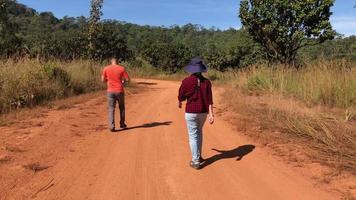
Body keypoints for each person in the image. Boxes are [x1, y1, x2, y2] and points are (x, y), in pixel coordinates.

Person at [178, 57, 214, 170]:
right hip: (203, 112)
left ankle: (195, 161)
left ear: (191, 69)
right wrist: (211, 114)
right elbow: (210, 99)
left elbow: (181, 96)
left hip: (191, 112)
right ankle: (198, 156)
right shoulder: (207, 82)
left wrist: (180, 101)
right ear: (201, 69)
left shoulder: (186, 81)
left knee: (193, 135)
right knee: (199, 133)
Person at [102, 58, 130, 132]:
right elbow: (127, 79)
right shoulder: (121, 68)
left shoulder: (106, 68)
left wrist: (108, 80)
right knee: (122, 107)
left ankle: (111, 126)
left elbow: (103, 80)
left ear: (111, 62)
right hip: (120, 90)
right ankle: (122, 124)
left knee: (111, 108)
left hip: (110, 91)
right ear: (117, 62)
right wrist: (123, 81)